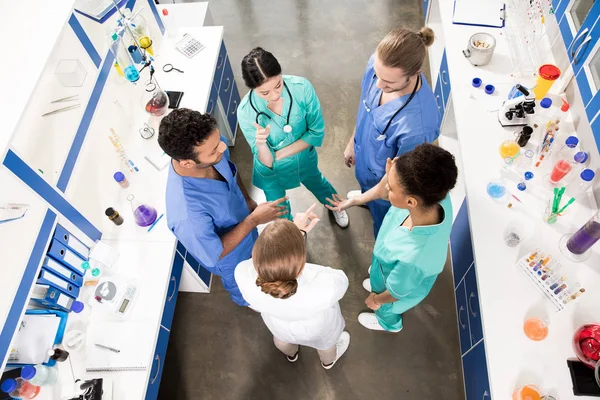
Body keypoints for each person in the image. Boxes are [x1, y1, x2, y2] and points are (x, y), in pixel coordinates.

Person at [159, 109, 287, 307]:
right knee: (246, 288)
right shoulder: (187, 215)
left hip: (247, 229)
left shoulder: (213, 147)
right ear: (187, 162)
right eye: (214, 150)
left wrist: (248, 202)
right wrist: (253, 220)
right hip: (230, 257)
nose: (222, 147)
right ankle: (251, 303)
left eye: (218, 141)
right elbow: (215, 253)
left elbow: (231, 172)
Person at [327, 144, 458, 332]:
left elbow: (396, 293)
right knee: (380, 280)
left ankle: (388, 324)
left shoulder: (413, 258)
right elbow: (386, 189)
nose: (385, 187)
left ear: (410, 201)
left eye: (391, 187)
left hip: (396, 287)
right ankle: (377, 282)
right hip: (389, 269)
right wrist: (358, 200)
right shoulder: (435, 195)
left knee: (387, 308)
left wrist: (376, 300)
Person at [237, 47, 349, 228]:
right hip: (271, 172)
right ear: (252, 89)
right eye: (264, 93)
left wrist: (279, 155)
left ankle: (336, 206)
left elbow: (316, 132)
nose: (274, 95)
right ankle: (290, 232)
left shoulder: (301, 88)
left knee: (318, 183)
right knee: (279, 210)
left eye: (278, 85)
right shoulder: (246, 112)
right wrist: (261, 144)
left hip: (303, 158)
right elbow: (265, 160)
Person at [344, 27, 440, 238]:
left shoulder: (417, 126)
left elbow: (400, 176)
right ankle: (367, 197)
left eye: (388, 82)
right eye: (377, 75)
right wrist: (353, 142)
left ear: (415, 74)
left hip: (386, 186)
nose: (378, 84)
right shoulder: (379, 66)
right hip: (364, 162)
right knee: (367, 193)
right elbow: (365, 107)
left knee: (383, 222)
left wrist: (364, 198)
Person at [235, 205, 350, 369]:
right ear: (301, 263)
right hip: (318, 328)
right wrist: (297, 233)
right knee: (326, 346)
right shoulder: (323, 284)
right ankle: (328, 362)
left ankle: (292, 355)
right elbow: (342, 280)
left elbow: (264, 263)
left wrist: (294, 235)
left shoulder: (242, 274)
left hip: (278, 325)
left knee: (282, 341)